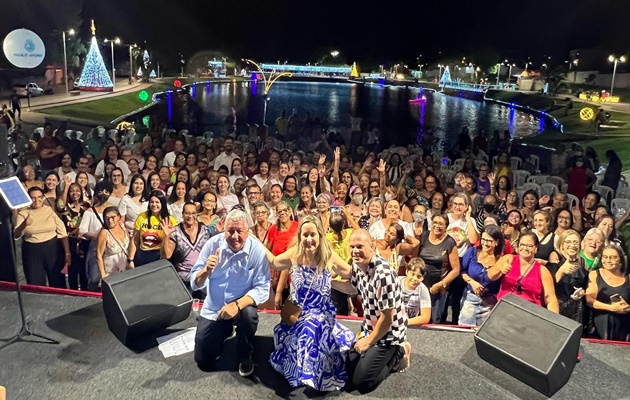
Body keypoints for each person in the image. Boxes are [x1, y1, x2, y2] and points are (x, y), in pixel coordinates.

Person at [268, 215, 356, 391]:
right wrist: (253, 240)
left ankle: (310, 379)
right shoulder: (295, 254)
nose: (309, 239)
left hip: (322, 315)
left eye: (313, 235)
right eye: (305, 235)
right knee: (305, 331)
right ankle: (304, 375)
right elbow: (275, 262)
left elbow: (351, 275)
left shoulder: (329, 256)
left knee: (312, 331)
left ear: (320, 236)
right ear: (300, 236)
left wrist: (370, 263)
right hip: (297, 315)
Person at [191, 209, 271, 377]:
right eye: (230, 231)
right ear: (224, 229)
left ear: (247, 231)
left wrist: (236, 305)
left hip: (241, 305)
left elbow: (262, 289)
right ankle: (226, 329)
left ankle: (245, 354)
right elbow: (195, 283)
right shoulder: (212, 245)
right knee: (203, 360)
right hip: (215, 308)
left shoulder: (257, 251)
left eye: (239, 231)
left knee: (249, 315)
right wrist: (206, 270)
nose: (235, 236)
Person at [343, 229, 408, 393]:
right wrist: (327, 281)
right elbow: (351, 286)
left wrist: (368, 342)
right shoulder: (358, 265)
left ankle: (399, 353)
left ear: (372, 246)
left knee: (362, 383)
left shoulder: (383, 275)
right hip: (370, 327)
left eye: (359, 246)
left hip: (388, 334)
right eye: (352, 247)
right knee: (349, 367)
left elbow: (387, 319)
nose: (355, 251)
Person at [14, 187, 70, 288]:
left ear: (43, 198)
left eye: (39, 197)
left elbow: (62, 233)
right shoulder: (23, 213)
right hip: (32, 250)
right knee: (36, 283)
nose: (37, 200)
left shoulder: (49, 210)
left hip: (52, 248)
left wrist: (67, 253)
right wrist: (24, 224)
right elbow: (16, 235)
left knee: (57, 281)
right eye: (33, 198)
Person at [489, 233, 559, 312]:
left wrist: (552, 320)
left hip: (529, 313)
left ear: (536, 248)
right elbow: (491, 275)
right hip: (504, 308)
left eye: (529, 246)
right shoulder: (509, 258)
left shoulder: (543, 271)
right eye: (522, 244)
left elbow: (550, 299)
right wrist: (499, 268)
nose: (525, 248)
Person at [162, 202, 211, 298]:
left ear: (197, 214)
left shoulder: (205, 230)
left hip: (201, 276)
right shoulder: (175, 232)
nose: (190, 216)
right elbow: (167, 255)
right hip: (183, 279)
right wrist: (166, 236)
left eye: (193, 213)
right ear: (182, 214)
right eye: (187, 213)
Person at [418, 213, 460, 323]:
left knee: (435, 321)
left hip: (438, 288)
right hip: (421, 286)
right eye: (435, 222)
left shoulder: (449, 242)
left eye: (441, 224)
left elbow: (456, 270)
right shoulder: (423, 236)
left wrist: (440, 285)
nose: (437, 226)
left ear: (446, 226)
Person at [459, 225, 504, 326]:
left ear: (496, 242)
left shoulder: (501, 259)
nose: (485, 243)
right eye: (483, 239)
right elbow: (462, 272)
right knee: (463, 331)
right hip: (470, 298)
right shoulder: (472, 252)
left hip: (489, 303)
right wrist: (472, 282)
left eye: (489, 240)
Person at [585, 244, 630, 341]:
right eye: (605, 257)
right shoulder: (595, 274)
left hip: (624, 328)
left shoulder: (628, 278)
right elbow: (589, 300)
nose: (608, 260)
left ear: (621, 261)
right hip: (599, 325)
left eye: (613, 257)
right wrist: (612, 308)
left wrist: (627, 308)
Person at [127, 190, 178, 266]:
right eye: (152, 202)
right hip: (143, 255)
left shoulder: (170, 220)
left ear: (162, 203)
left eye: (157, 202)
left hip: (159, 256)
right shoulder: (142, 216)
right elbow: (135, 240)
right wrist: (130, 260)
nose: (154, 205)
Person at [547, 230, 588, 323]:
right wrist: (562, 270)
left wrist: (582, 292)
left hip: (576, 307)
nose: (572, 245)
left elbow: (584, 284)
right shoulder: (555, 256)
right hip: (559, 305)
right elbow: (550, 284)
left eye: (575, 242)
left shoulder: (582, 261)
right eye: (568, 242)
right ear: (562, 244)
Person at [95, 207, 130, 279]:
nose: (110, 221)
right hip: (110, 272)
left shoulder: (123, 226)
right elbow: (99, 256)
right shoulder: (104, 233)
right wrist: (103, 276)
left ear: (118, 217)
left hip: (126, 269)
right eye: (107, 218)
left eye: (113, 217)